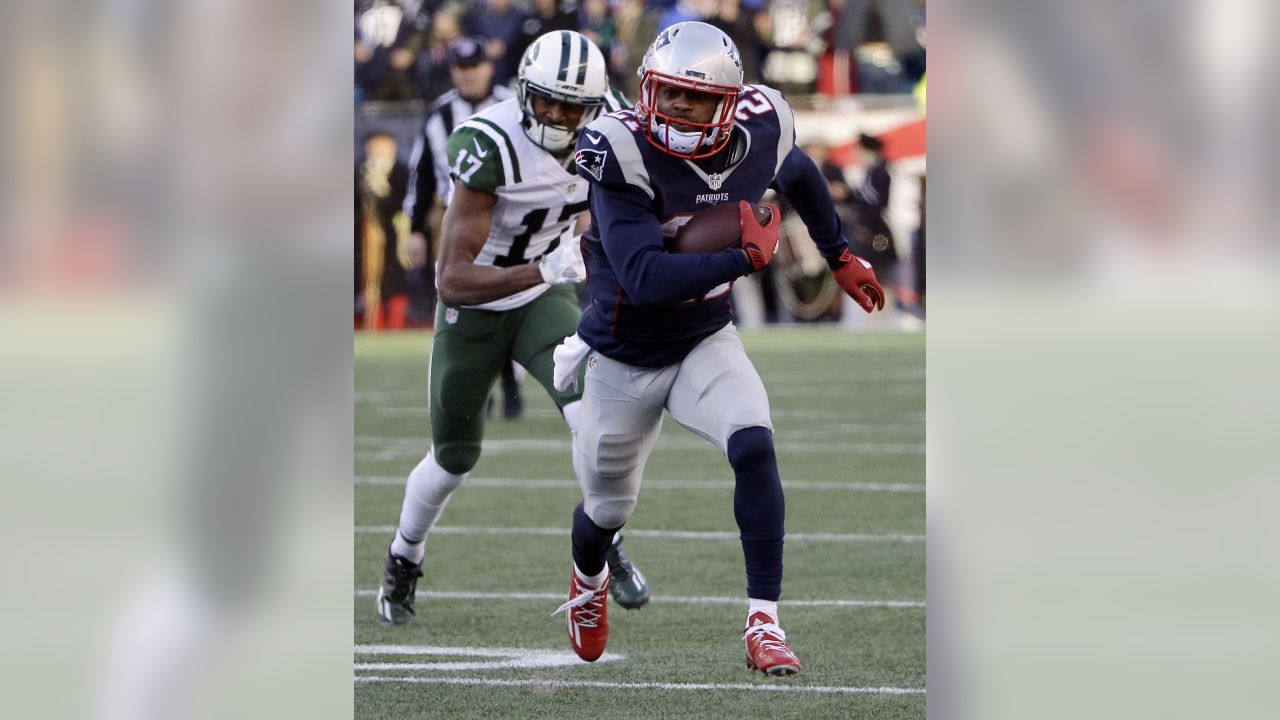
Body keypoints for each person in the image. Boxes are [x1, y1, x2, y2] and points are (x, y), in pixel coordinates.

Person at [551, 21, 884, 675]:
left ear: (729, 104)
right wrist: (742, 255)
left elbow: (800, 173)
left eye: (691, 98)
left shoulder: (761, 124)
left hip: (704, 337)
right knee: (605, 510)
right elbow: (644, 278)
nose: (672, 109)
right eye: (664, 94)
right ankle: (587, 581)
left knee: (754, 441)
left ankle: (765, 622)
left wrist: (839, 252)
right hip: (624, 354)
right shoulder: (620, 148)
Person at [376, 30, 649, 627]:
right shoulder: (490, 143)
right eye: (543, 99)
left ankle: (601, 543)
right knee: (452, 459)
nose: (553, 114)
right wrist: (547, 264)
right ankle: (404, 557)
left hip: (544, 300)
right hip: (477, 307)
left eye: (568, 104)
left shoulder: (614, 133)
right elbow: (452, 279)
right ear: (523, 90)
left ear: (596, 105)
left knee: (592, 418)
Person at [403, 35, 522, 413]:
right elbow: (421, 174)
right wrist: (415, 227)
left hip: (511, 218)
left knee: (510, 300)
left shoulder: (513, 104)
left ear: (488, 66)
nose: (469, 75)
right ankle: (479, 386)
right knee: (464, 302)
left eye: (475, 67)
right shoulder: (439, 114)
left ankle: (509, 382)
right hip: (455, 221)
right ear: (452, 70)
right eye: (461, 68)